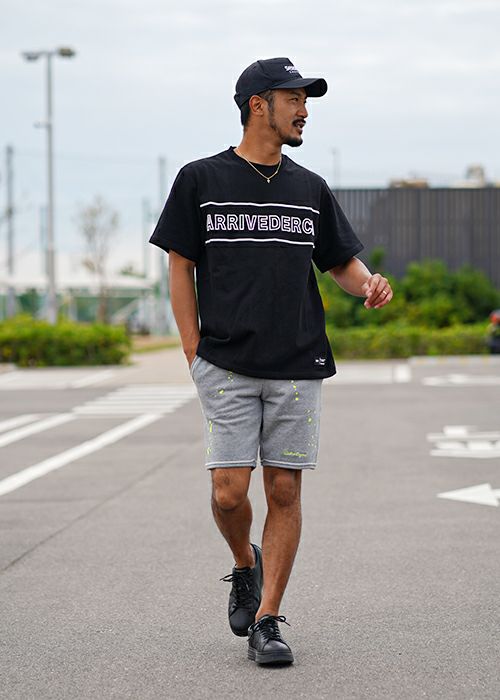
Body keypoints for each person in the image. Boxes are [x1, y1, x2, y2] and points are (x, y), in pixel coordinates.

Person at [149, 57, 393, 666]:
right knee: (229, 492)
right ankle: (244, 563)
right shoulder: (201, 179)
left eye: (306, 101)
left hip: (297, 362)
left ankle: (268, 620)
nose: (305, 110)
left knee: (284, 489)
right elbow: (180, 265)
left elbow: (339, 262)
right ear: (259, 104)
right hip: (226, 363)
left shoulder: (309, 187)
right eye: (295, 99)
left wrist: (367, 282)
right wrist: (192, 349)